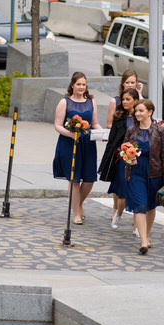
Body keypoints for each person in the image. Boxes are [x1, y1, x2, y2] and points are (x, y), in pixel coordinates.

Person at [124, 99, 164, 254]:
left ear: (150, 112)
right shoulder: (131, 131)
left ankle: (147, 235)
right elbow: (123, 151)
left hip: (154, 173)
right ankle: (143, 241)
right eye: (136, 111)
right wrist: (130, 158)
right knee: (140, 205)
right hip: (136, 172)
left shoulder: (159, 131)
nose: (137, 113)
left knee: (150, 206)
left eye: (141, 111)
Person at [52, 72, 101, 225]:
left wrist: (103, 133)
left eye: (83, 84)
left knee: (89, 180)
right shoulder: (64, 102)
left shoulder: (91, 102)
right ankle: (76, 213)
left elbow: (94, 123)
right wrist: (70, 134)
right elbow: (58, 125)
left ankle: (78, 204)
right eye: (78, 84)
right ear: (72, 85)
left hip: (88, 143)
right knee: (74, 179)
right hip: (70, 144)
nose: (81, 87)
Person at [98, 87, 140, 229]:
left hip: (138, 158)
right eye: (123, 99)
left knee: (136, 190)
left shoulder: (140, 117)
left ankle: (137, 224)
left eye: (128, 99)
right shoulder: (119, 117)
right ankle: (119, 213)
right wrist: (105, 163)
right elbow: (112, 140)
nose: (124, 102)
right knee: (121, 191)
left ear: (135, 101)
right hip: (121, 159)